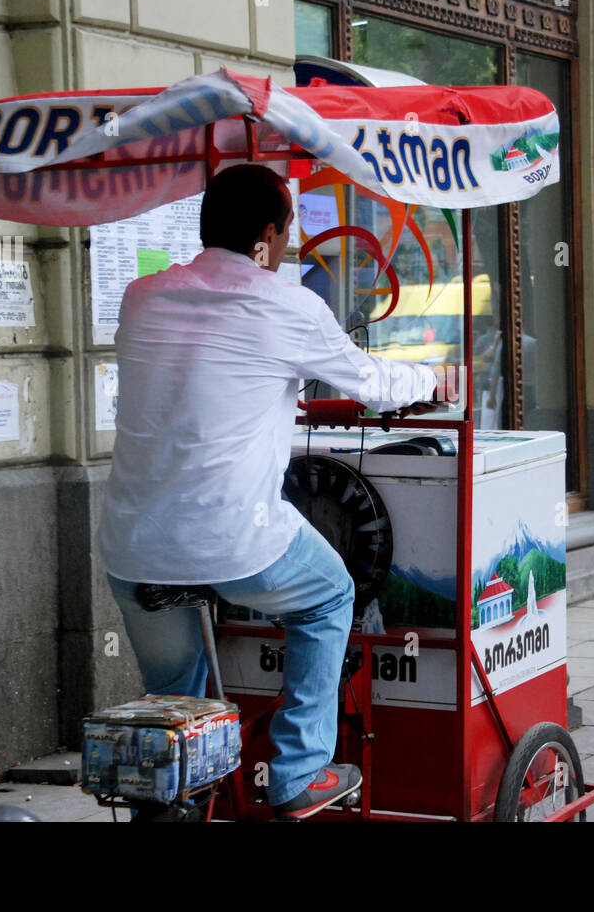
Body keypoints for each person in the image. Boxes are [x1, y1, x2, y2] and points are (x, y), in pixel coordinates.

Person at [97, 164, 439, 819]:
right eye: (286, 230)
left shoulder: (142, 297)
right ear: (267, 235)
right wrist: (432, 379)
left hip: (133, 546)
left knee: (175, 701)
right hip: (235, 538)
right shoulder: (286, 304)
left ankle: (165, 807)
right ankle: (297, 772)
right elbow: (371, 382)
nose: (287, 244)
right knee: (330, 593)